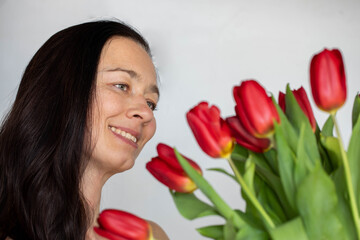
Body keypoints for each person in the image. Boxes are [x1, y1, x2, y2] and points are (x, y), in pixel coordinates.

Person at [0, 20, 168, 240]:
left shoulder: (150, 236)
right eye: (121, 86)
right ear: (60, 92)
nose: (147, 114)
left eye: (150, 102)